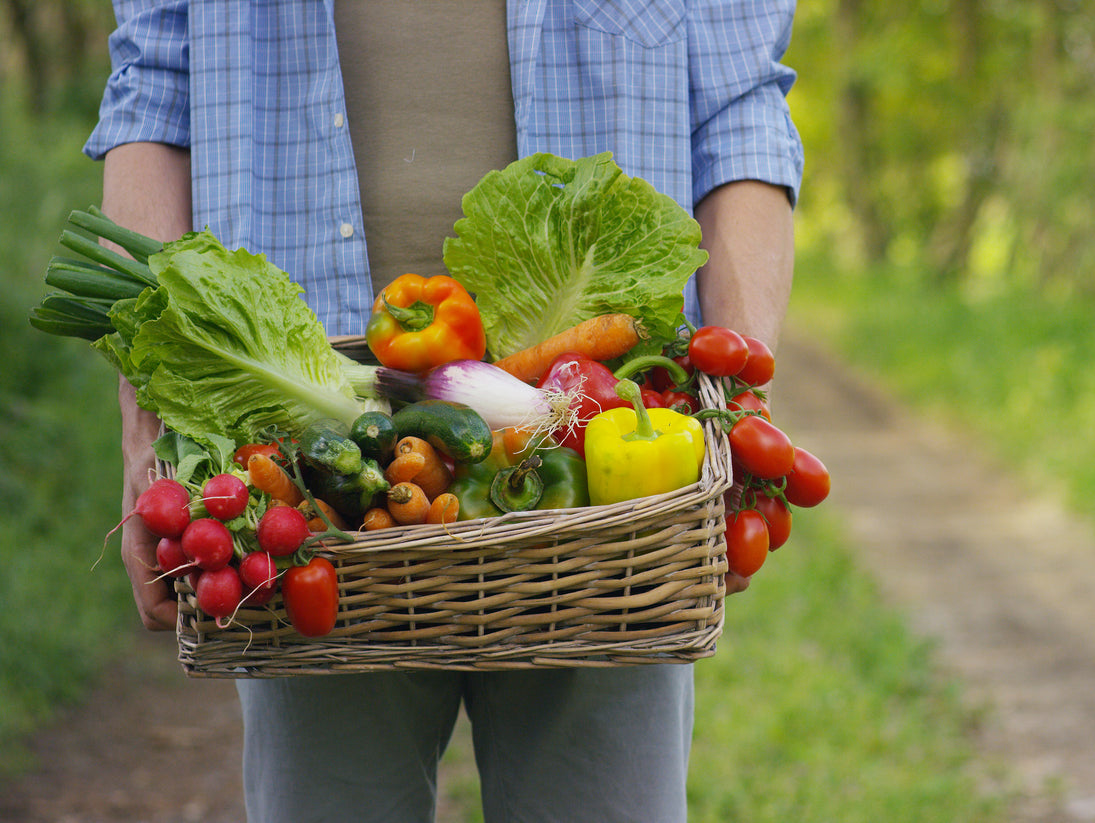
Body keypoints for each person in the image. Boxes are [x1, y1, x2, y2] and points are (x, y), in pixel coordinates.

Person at [89, 2, 803, 821]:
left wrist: (738, 408)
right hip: (304, 466)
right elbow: (155, 93)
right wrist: (148, 432)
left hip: (602, 454)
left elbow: (739, 106)